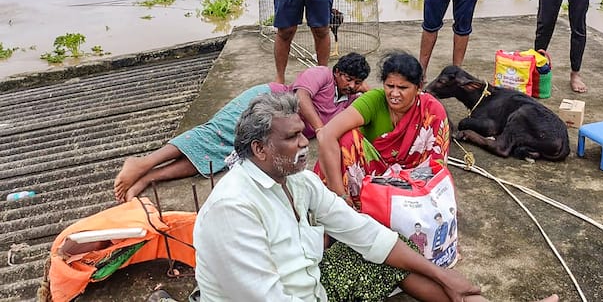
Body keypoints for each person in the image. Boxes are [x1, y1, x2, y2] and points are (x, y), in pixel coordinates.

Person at [193, 91, 560, 302]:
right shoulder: (233, 209)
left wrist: (444, 275)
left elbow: (361, 230)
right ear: (259, 149)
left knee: (385, 247)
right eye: (291, 138)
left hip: (311, 286)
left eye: (302, 133)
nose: (305, 143)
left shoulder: (298, 182)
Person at [113, 53, 369, 202]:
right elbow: (301, 96)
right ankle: (142, 162)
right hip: (265, 102)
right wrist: (320, 128)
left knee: (220, 158)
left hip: (274, 129)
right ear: (337, 72)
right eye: (348, 78)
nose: (351, 85)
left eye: (357, 82)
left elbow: (373, 97)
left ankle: (149, 177)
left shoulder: (348, 100)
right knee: (213, 133)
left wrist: (361, 89)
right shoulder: (322, 73)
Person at [315, 51, 449, 206]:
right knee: (346, 139)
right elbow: (326, 134)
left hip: (412, 186)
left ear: (418, 87)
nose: (394, 93)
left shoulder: (432, 111)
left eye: (403, 88)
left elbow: (436, 164)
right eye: (389, 86)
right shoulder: (375, 100)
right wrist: (340, 196)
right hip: (370, 178)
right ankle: (348, 206)